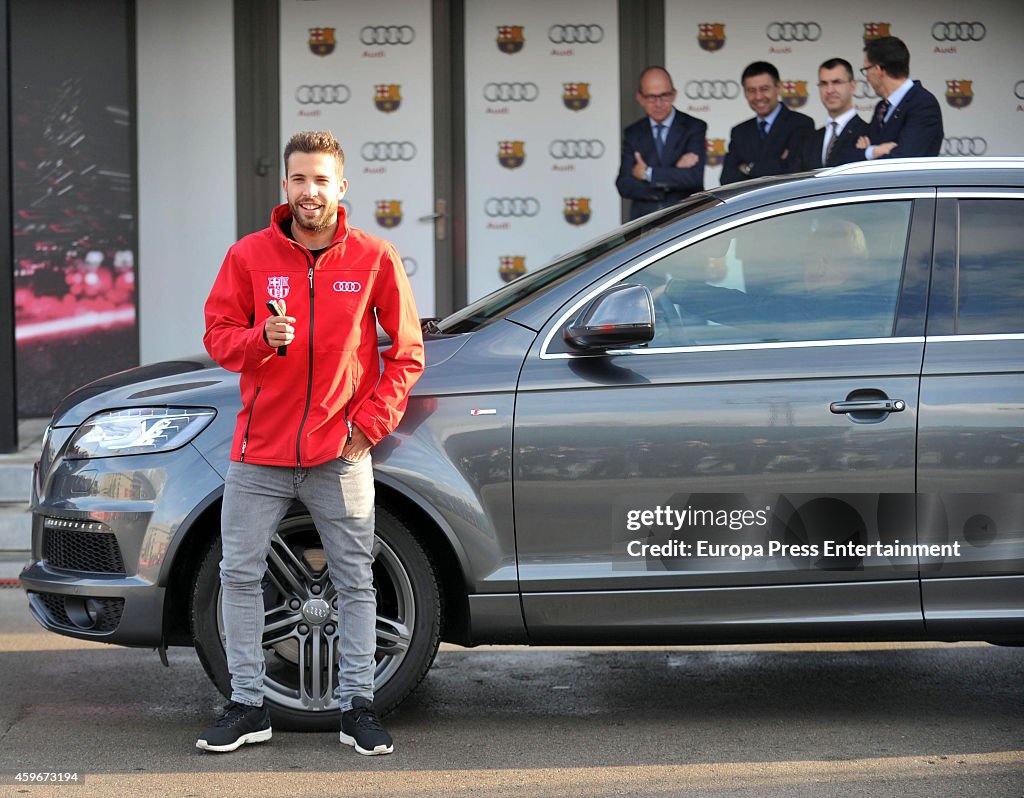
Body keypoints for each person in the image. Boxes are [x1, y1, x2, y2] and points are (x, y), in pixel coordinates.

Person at [199, 131, 424, 755]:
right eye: (300, 180)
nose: (310, 192)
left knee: (356, 580)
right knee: (239, 576)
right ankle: (248, 706)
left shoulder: (374, 258)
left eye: (321, 180)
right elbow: (219, 336)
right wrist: (259, 340)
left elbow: (406, 355)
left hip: (340, 453)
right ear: (286, 187)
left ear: (341, 187)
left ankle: (358, 707)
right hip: (258, 453)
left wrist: (367, 427)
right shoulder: (249, 256)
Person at [616, 66, 706, 220]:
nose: (658, 104)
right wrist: (673, 174)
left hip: (685, 220)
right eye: (651, 97)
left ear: (674, 95)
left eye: (664, 95)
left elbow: (693, 178)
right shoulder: (633, 133)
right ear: (640, 98)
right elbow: (625, 185)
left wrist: (647, 173)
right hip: (644, 224)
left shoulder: (694, 127)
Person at [720, 61, 814, 185]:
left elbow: (795, 171)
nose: (758, 97)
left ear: (778, 88)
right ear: (745, 93)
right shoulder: (739, 132)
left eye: (764, 89)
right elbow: (726, 179)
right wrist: (776, 163)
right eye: (751, 90)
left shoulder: (801, 124)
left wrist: (748, 168)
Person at [853, 36, 943, 160]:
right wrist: (873, 151)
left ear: (878, 70)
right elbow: (853, 153)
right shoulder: (882, 107)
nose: (866, 77)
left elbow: (903, 160)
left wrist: (868, 153)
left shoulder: (923, 104)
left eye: (866, 70)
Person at [795, 58, 869, 171]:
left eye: (837, 82)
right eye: (824, 84)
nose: (829, 90)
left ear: (853, 86)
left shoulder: (868, 133)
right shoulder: (809, 140)